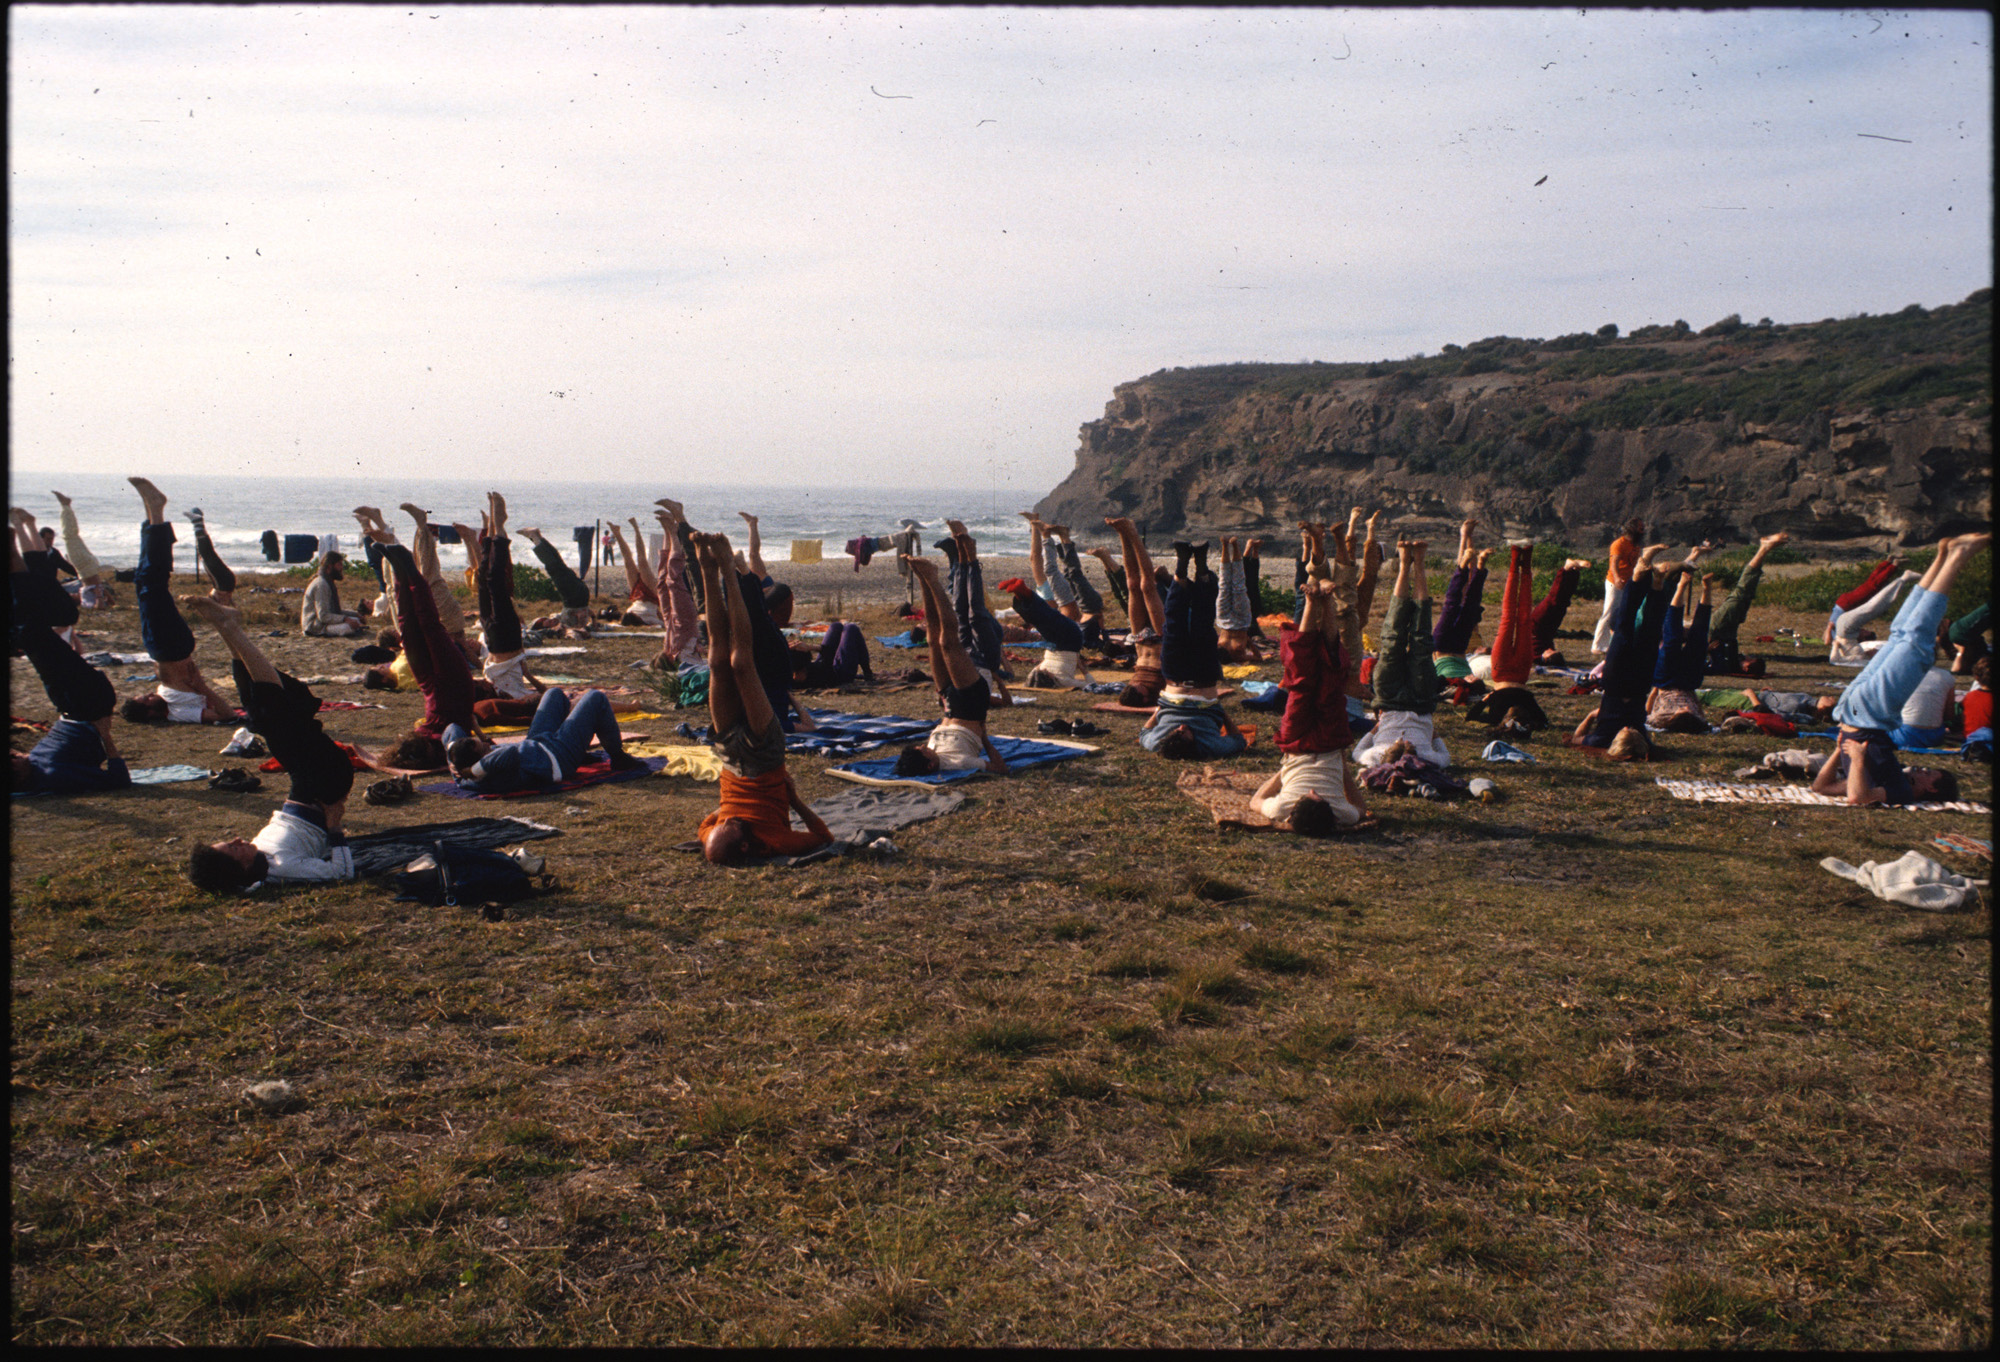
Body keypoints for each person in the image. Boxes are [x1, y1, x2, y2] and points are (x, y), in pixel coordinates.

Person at [183, 596, 358, 891]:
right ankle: (230, 627)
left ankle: (228, 627)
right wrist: (335, 826)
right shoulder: (283, 868)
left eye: (231, 842)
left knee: (258, 709)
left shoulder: (261, 859)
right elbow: (342, 873)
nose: (239, 839)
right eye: (234, 848)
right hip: (326, 782)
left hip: (304, 784)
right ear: (243, 867)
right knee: (272, 714)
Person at [691, 531, 835, 862]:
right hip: (764, 754)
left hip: (728, 753)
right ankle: (728, 569)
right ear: (745, 845)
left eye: (720, 825)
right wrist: (794, 801)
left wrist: (720, 821)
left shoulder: (717, 831)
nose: (725, 821)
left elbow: (708, 824)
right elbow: (823, 837)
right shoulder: (775, 840)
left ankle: (705, 567)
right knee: (741, 662)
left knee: (716, 660)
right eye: (730, 826)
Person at [1813, 534, 1988, 804]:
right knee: (1901, 636)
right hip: (1859, 714)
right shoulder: (1898, 787)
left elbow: (1838, 793)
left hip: (1865, 716)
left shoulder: (1901, 792)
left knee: (1915, 642)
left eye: (1931, 774)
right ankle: (1944, 556)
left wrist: (1846, 755)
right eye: (1931, 769)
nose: (1923, 769)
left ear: (1931, 789)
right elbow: (1844, 791)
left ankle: (1956, 556)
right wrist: (1854, 756)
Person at [9, 521, 130, 793]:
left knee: (28, 627)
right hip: (89, 705)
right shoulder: (52, 774)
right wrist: (106, 736)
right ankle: (15, 552)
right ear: (18, 777)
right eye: (14, 761)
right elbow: (120, 782)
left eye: (13, 755)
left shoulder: (33, 763)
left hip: (69, 706)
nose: (18, 755)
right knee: (29, 631)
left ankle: (21, 556)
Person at [1250, 573, 1366, 833]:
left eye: (1307, 795)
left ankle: (1314, 602)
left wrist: (1287, 773)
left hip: (1305, 743)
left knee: (1302, 681)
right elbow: (1256, 800)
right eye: (1320, 796)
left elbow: (1360, 809)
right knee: (1325, 678)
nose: (1313, 790)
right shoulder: (1338, 815)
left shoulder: (1284, 811)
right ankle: (1323, 602)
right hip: (1320, 743)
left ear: (1292, 813)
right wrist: (1285, 772)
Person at [119, 479, 238, 725]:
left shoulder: (168, 705)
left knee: (144, 582)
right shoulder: (178, 713)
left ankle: (152, 512)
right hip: (169, 648)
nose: (149, 695)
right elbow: (227, 715)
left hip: (168, 648)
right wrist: (203, 688)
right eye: (146, 700)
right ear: (151, 714)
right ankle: (156, 508)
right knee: (151, 585)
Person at [891, 556, 1011, 776]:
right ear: (930, 765)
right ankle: (933, 579)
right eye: (922, 751)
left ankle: (923, 579)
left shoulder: (927, 756)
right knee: (948, 642)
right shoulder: (960, 763)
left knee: (932, 639)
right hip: (972, 704)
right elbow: (1001, 769)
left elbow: (915, 759)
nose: (922, 746)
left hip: (949, 704)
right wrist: (985, 739)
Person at [1139, 539, 1250, 760]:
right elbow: (1239, 741)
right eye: (1186, 734)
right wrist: (1219, 711)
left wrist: (1160, 710)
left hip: (1174, 679)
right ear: (1194, 745)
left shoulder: (1157, 743)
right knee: (1202, 624)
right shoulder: (1210, 747)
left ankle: (1181, 566)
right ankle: (1201, 568)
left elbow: (1144, 733)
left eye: (1175, 732)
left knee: (1173, 625)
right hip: (1204, 679)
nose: (1181, 728)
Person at [1355, 538, 1454, 768]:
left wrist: (1379, 727)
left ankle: (1404, 565)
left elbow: (1358, 750)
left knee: (1392, 639)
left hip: (1389, 700)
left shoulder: (1373, 759)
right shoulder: (1428, 761)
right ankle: (1418, 563)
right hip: (1420, 702)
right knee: (1420, 641)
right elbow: (1445, 755)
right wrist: (1428, 728)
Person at [1572, 543, 1676, 760]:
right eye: (1633, 734)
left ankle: (1639, 575)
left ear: (1618, 742)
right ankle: (1657, 584)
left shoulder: (1602, 737)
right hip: (1639, 684)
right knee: (1650, 632)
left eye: (1624, 734)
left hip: (1617, 682)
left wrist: (1591, 717)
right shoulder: (1643, 740)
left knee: (1625, 628)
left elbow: (1575, 740)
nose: (1627, 730)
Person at [1465, 541, 1551, 731]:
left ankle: (1516, 561)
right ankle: (1524, 562)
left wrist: (1485, 699)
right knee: (1522, 619)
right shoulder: (1529, 707)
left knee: (1510, 618)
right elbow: (1545, 723)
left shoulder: (1496, 717)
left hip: (1502, 671)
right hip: (1519, 673)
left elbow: (1470, 717)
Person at [1705, 532, 1789, 677]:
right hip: (1729, 631)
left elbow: (1697, 662)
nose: (1747, 657)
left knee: (1741, 593)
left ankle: (1764, 549)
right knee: (1745, 596)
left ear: (1746, 668)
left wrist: (1705, 648)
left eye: (1749, 660)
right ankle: (1763, 549)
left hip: (1716, 629)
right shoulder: (1732, 662)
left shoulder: (1723, 667)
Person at [1105, 516, 1168, 708]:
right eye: (1138, 690)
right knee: (1148, 585)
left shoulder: (1131, 692)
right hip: (1161, 637)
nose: (1135, 686)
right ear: (1146, 698)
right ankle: (1133, 533)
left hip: (1139, 639)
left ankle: (1123, 533)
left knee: (1132, 584)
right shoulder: (1158, 692)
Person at [1644, 568, 1716, 735]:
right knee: (1699, 637)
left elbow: (1648, 710)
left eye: (1683, 710)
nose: (1685, 708)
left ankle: (1681, 587)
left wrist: (1654, 689)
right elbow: (1698, 707)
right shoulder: (1698, 720)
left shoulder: (1660, 719)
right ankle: (1707, 589)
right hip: (1689, 681)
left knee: (1672, 639)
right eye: (1687, 710)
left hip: (1665, 681)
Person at [995, 572, 1091, 691]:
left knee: (1042, 619)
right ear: (1049, 677)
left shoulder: (1061, 680)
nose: (1042, 668)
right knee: (1045, 618)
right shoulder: (1056, 678)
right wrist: (1082, 667)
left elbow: (1090, 684)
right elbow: (1091, 686)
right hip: (1067, 642)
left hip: (1065, 642)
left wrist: (1084, 670)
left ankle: (1021, 592)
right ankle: (1022, 592)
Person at [1828, 561, 1922, 666]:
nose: (1875, 651)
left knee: (1874, 605)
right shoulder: (1864, 657)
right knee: (1877, 605)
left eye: (1877, 654)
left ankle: (1905, 578)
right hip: (1846, 628)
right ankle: (1908, 583)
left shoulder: (1861, 660)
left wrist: (1835, 645)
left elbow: (1834, 659)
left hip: (1845, 629)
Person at [1432, 520, 1492, 683]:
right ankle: (1474, 563)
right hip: (1456, 648)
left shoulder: (1454, 680)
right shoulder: (1473, 635)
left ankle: (1473, 564)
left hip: (1452, 647)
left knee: (1460, 604)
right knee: (1461, 604)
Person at [517, 524, 596, 635]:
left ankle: (537, 537)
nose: (550, 621)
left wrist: (588, 615)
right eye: (547, 623)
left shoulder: (559, 617)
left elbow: (588, 614)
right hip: (575, 597)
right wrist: (590, 619)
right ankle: (535, 537)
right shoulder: (564, 627)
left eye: (546, 621)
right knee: (553, 566)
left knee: (557, 563)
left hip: (577, 596)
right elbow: (586, 618)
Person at [50, 489, 115, 607]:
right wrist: (101, 598)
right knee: (70, 536)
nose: (71, 595)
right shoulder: (87, 601)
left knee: (72, 536)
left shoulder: (86, 595)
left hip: (88, 568)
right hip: (85, 568)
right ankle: (66, 506)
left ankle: (66, 506)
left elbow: (105, 595)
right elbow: (100, 605)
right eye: (72, 597)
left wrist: (109, 600)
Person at [1590, 518, 1645, 655]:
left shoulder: (1636, 545)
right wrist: (1617, 577)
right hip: (1615, 582)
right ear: (1632, 528)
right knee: (1610, 611)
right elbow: (1613, 563)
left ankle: (1614, 642)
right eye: (1640, 528)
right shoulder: (1618, 544)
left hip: (1629, 582)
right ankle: (1598, 645)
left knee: (1624, 612)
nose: (1642, 530)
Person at [1822, 556, 1901, 646]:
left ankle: (1894, 565)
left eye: (1867, 633)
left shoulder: (1843, 635)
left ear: (1862, 637)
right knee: (1870, 584)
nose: (1866, 630)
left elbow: (1826, 640)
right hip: (1844, 604)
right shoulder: (1851, 631)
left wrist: (1829, 630)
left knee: (1872, 587)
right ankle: (1887, 563)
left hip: (1845, 605)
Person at [1529, 556, 1590, 664]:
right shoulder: (1546, 650)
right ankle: (1575, 571)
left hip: (1536, 625)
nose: (1551, 649)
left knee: (1553, 600)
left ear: (1546, 658)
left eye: (1550, 652)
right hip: (1549, 629)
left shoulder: (1534, 656)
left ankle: (1566, 569)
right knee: (1563, 602)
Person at [606, 520, 663, 627]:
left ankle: (617, 532)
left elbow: (619, 623)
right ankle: (636, 528)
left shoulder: (628, 617)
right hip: (652, 595)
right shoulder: (649, 621)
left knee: (628, 561)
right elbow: (663, 624)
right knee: (642, 561)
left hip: (636, 596)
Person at [301, 547, 366, 638]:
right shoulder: (322, 585)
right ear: (330, 566)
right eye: (339, 564)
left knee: (356, 620)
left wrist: (356, 615)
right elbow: (323, 616)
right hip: (315, 626)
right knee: (347, 627)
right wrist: (346, 619)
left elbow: (335, 611)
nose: (341, 568)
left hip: (323, 622)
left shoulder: (328, 582)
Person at [792, 621, 875, 690]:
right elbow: (830, 652)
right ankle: (867, 671)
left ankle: (867, 672)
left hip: (826, 665)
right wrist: (810, 647)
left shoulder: (792, 675)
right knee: (851, 628)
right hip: (840, 673)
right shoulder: (815, 677)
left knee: (836, 626)